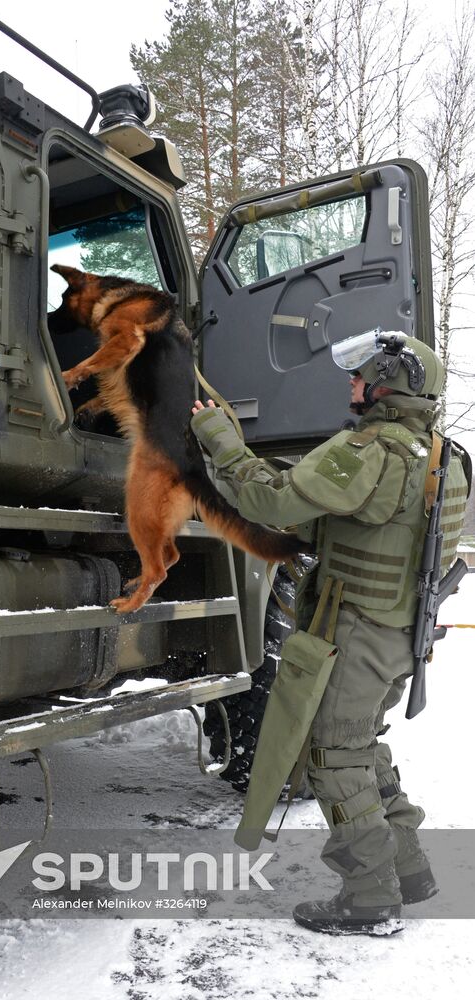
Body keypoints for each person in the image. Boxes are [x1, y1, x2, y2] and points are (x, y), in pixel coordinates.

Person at [191, 330, 470, 936]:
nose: (351, 384)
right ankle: (411, 869)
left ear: (388, 385)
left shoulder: (370, 449)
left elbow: (271, 502)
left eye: (361, 375)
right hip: (396, 635)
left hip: (358, 633)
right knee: (361, 747)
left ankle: (370, 896)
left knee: (334, 755)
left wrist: (220, 442)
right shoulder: (442, 456)